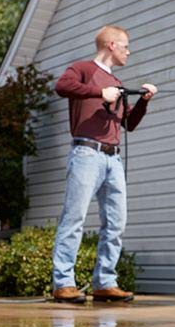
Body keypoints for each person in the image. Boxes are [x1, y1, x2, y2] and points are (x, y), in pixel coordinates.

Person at [50, 25, 157, 303]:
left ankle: (105, 282)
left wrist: (143, 102)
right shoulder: (82, 69)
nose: (128, 51)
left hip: (113, 158)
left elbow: (129, 124)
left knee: (116, 223)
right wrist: (100, 93)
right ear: (111, 44)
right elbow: (62, 87)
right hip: (87, 154)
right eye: (125, 46)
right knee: (73, 219)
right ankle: (63, 283)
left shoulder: (118, 84)